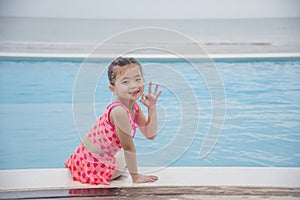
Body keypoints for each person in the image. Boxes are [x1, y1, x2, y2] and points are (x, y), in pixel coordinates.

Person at [65, 57, 162, 185]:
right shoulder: (119, 111)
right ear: (113, 89)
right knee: (123, 158)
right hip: (92, 166)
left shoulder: (134, 107)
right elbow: (128, 147)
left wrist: (152, 108)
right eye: (125, 81)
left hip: (85, 157)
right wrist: (136, 177)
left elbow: (150, 135)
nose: (133, 85)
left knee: (124, 158)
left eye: (137, 79)